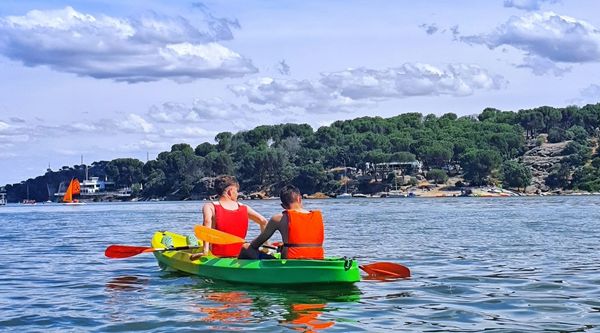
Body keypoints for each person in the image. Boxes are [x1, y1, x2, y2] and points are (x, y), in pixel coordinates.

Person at [191, 175, 268, 260]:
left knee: (193, 242)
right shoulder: (244, 207)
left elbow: (207, 224)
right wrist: (266, 247)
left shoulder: (210, 206)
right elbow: (263, 221)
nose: (237, 194)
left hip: (217, 254)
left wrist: (205, 250)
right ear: (230, 191)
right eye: (236, 191)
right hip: (240, 254)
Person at [239, 185, 324, 260]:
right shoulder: (318, 216)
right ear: (299, 198)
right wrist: (285, 246)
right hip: (317, 259)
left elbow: (255, 244)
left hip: (291, 263)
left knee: (245, 248)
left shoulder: (278, 218)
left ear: (283, 206)